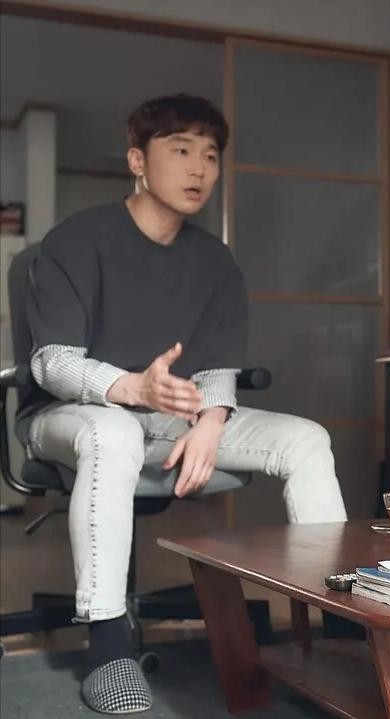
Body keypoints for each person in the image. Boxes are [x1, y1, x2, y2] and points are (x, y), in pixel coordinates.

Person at [19, 94, 349, 714]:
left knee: (306, 439)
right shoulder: (76, 240)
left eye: (211, 155)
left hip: (170, 418)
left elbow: (218, 365)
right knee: (114, 433)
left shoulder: (215, 261)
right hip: (68, 417)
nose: (199, 168)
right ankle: (108, 647)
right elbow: (52, 363)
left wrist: (211, 421)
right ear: (137, 161)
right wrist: (133, 387)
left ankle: (340, 634)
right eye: (180, 150)